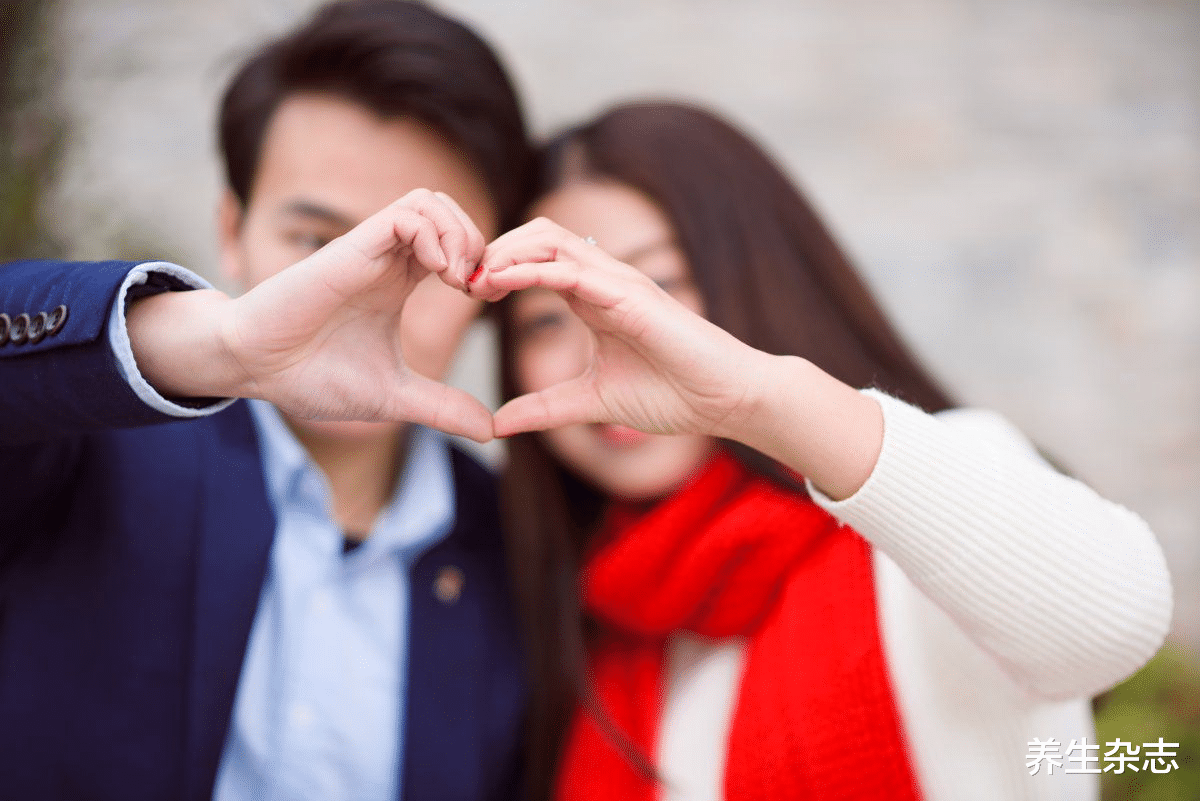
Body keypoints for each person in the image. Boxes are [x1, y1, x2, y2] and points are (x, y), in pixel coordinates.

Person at [467, 101, 1174, 801]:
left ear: (762, 276)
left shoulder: (928, 509)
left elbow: (1114, 621)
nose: (603, 343)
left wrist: (760, 400)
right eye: (545, 318)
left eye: (656, 284)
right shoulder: (576, 618)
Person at [0, 2, 534, 799]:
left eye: (424, 256)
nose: (360, 293)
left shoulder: (520, 552)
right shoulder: (90, 443)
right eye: (315, 241)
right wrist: (217, 343)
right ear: (232, 230)